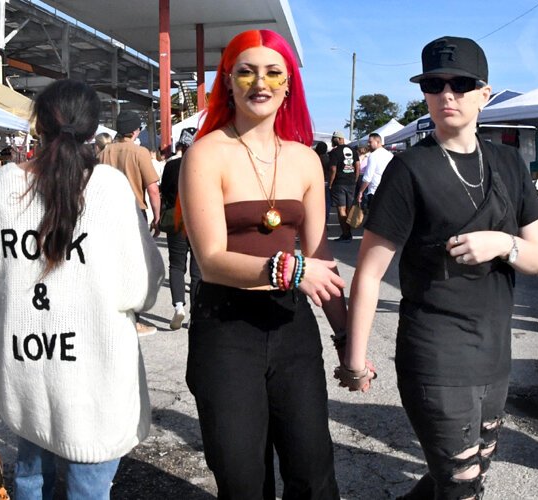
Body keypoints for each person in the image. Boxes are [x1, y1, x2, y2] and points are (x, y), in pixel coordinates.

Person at [341, 35, 538, 500]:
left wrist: (502, 242)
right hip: (434, 353)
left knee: (461, 475)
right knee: (461, 485)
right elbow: (370, 272)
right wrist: (354, 360)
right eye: (435, 85)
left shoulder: (509, 163)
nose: (447, 94)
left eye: (461, 83)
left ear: (484, 93)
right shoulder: (408, 169)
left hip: (494, 355)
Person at [0, 79, 162, 500]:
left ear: (38, 123)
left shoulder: (4, 184)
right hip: (94, 379)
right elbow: (141, 286)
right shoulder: (109, 188)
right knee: (88, 491)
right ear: (94, 130)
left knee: (29, 478)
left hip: (29, 370)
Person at [180, 29, 348, 499]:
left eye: (274, 72)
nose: (261, 83)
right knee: (242, 477)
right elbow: (211, 260)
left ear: (289, 84)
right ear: (228, 82)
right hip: (227, 330)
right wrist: (291, 271)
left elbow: (321, 258)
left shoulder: (306, 160)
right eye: (247, 71)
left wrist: (346, 339)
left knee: (313, 470)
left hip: (292, 328)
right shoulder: (205, 155)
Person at [100, 111, 162, 335]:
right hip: (133, 211)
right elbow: (153, 190)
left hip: (107, 211)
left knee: (111, 265)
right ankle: (134, 319)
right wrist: (157, 216)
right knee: (135, 265)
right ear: (135, 131)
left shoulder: (104, 152)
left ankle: (112, 314)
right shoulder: (140, 152)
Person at [161, 139, 202, 330]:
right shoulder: (204, 163)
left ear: (180, 146)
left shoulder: (170, 166)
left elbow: (163, 191)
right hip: (199, 219)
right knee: (197, 270)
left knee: (177, 266)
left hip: (176, 217)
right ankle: (195, 313)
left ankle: (178, 306)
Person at [326, 131, 361, 240]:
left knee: (341, 209)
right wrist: (355, 179)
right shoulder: (353, 150)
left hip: (339, 183)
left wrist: (330, 183)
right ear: (342, 139)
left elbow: (333, 168)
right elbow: (358, 166)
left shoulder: (334, 152)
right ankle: (349, 231)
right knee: (350, 208)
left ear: (334, 140)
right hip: (351, 183)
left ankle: (346, 234)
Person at [358, 132, 394, 209]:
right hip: (388, 190)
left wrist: (360, 192)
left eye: (370, 142)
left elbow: (368, 177)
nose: (368, 144)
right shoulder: (390, 155)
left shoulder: (373, 156)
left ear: (378, 142)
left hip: (374, 191)